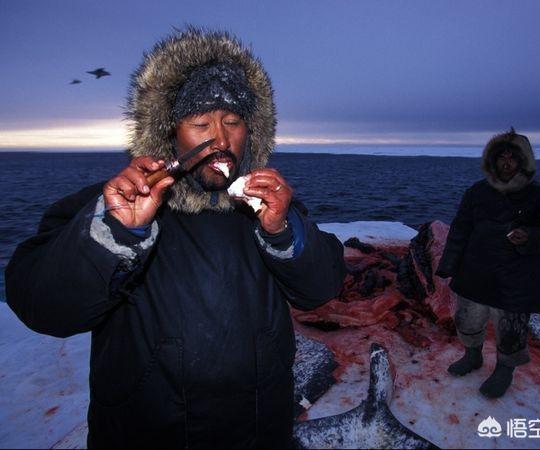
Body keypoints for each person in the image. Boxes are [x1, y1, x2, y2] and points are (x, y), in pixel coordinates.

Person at [5, 28, 345, 448]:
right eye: (201, 123)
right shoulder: (111, 208)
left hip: (260, 431)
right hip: (147, 434)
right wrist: (116, 233)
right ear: (168, 133)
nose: (220, 140)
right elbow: (43, 307)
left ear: (251, 131)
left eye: (234, 122)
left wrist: (281, 231)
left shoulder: (266, 209)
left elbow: (322, 287)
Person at [436, 128, 540, 398]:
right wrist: (448, 265)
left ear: (523, 162)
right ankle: (473, 355)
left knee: (511, 330)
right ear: (492, 161)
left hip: (516, 278)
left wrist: (530, 236)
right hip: (475, 273)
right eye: (501, 157)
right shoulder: (477, 192)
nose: (506, 163)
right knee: (467, 321)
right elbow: (460, 229)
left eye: (512, 158)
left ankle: (505, 370)